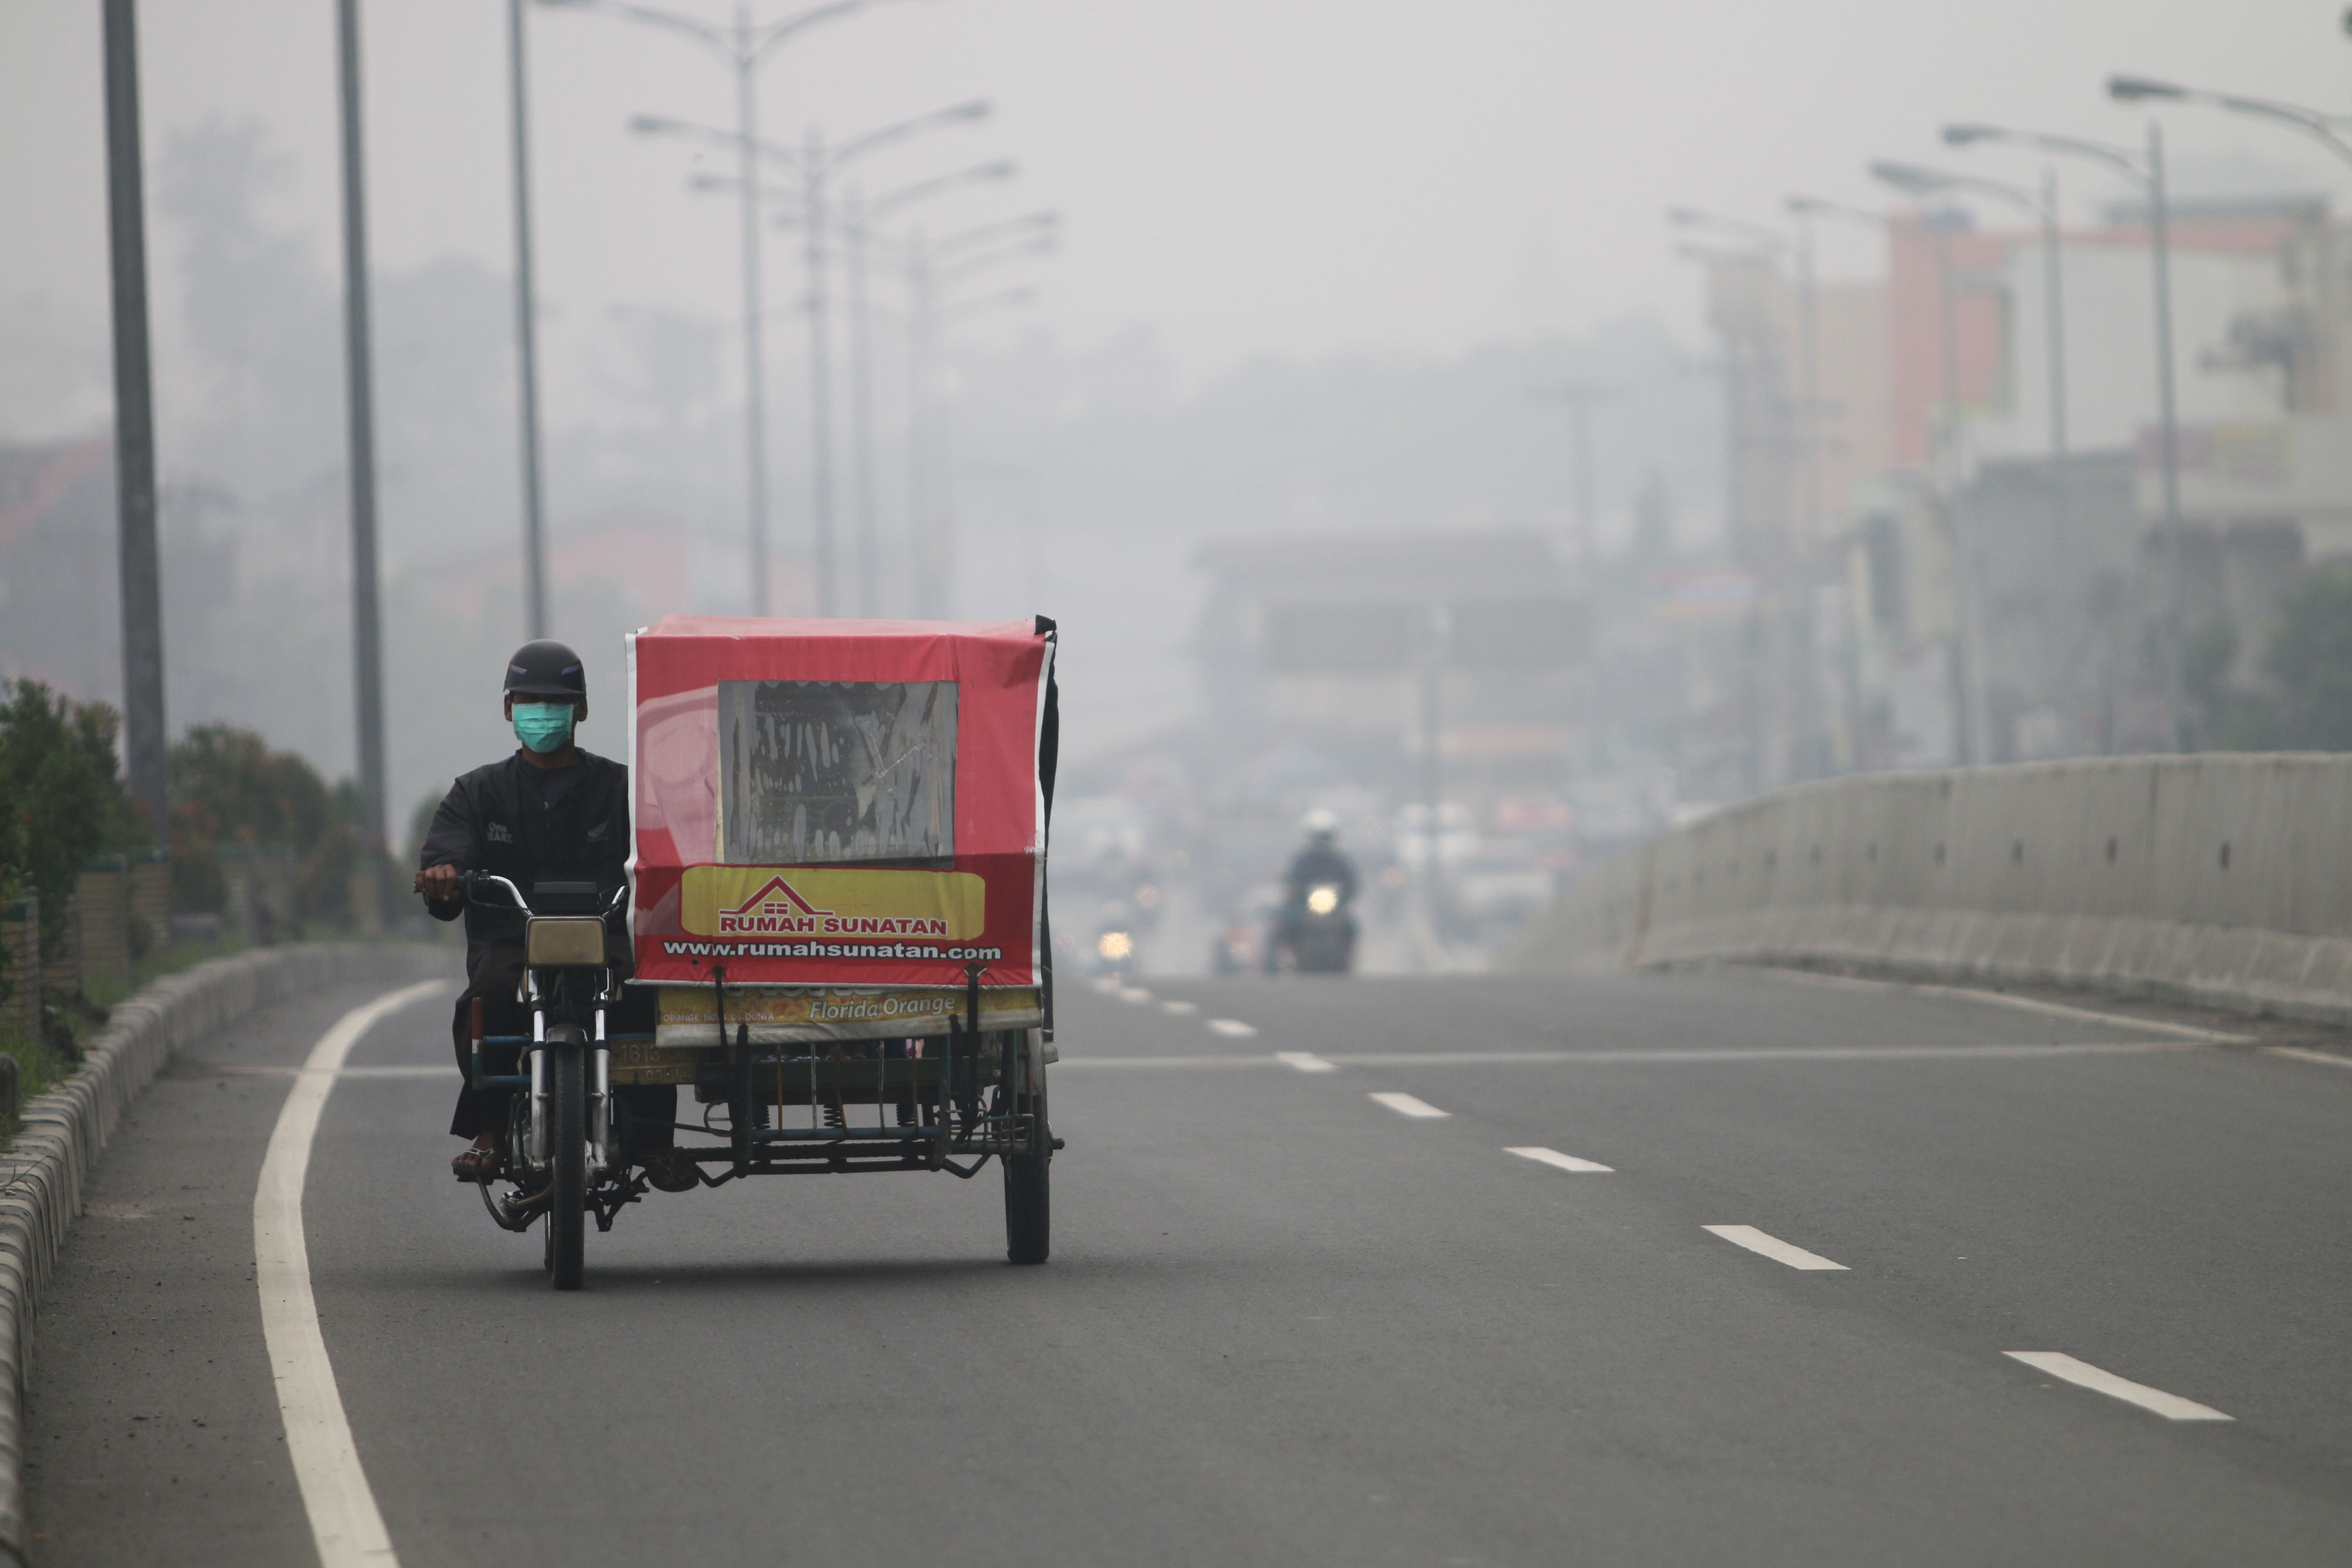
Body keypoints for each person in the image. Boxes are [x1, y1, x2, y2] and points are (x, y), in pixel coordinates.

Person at [414, 640, 686, 1188]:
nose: (542, 712)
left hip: (606, 936)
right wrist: (445, 878)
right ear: (509, 707)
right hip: (512, 941)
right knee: (486, 998)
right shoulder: (476, 792)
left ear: (580, 710)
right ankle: (488, 1131)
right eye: (529, 700)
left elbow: (666, 850)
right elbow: (447, 858)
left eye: (555, 702)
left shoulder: (623, 790)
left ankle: (655, 1138)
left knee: (648, 992)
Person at [1265, 808, 1359, 972]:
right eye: (1318, 837)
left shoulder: (1339, 861)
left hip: (1333, 908)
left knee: (1352, 927)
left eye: (1325, 836)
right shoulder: (1302, 860)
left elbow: (1351, 884)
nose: (1321, 841)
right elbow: (1291, 881)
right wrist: (1295, 892)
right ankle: (1276, 964)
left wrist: (1345, 897)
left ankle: (1347, 959)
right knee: (1282, 925)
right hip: (1303, 906)